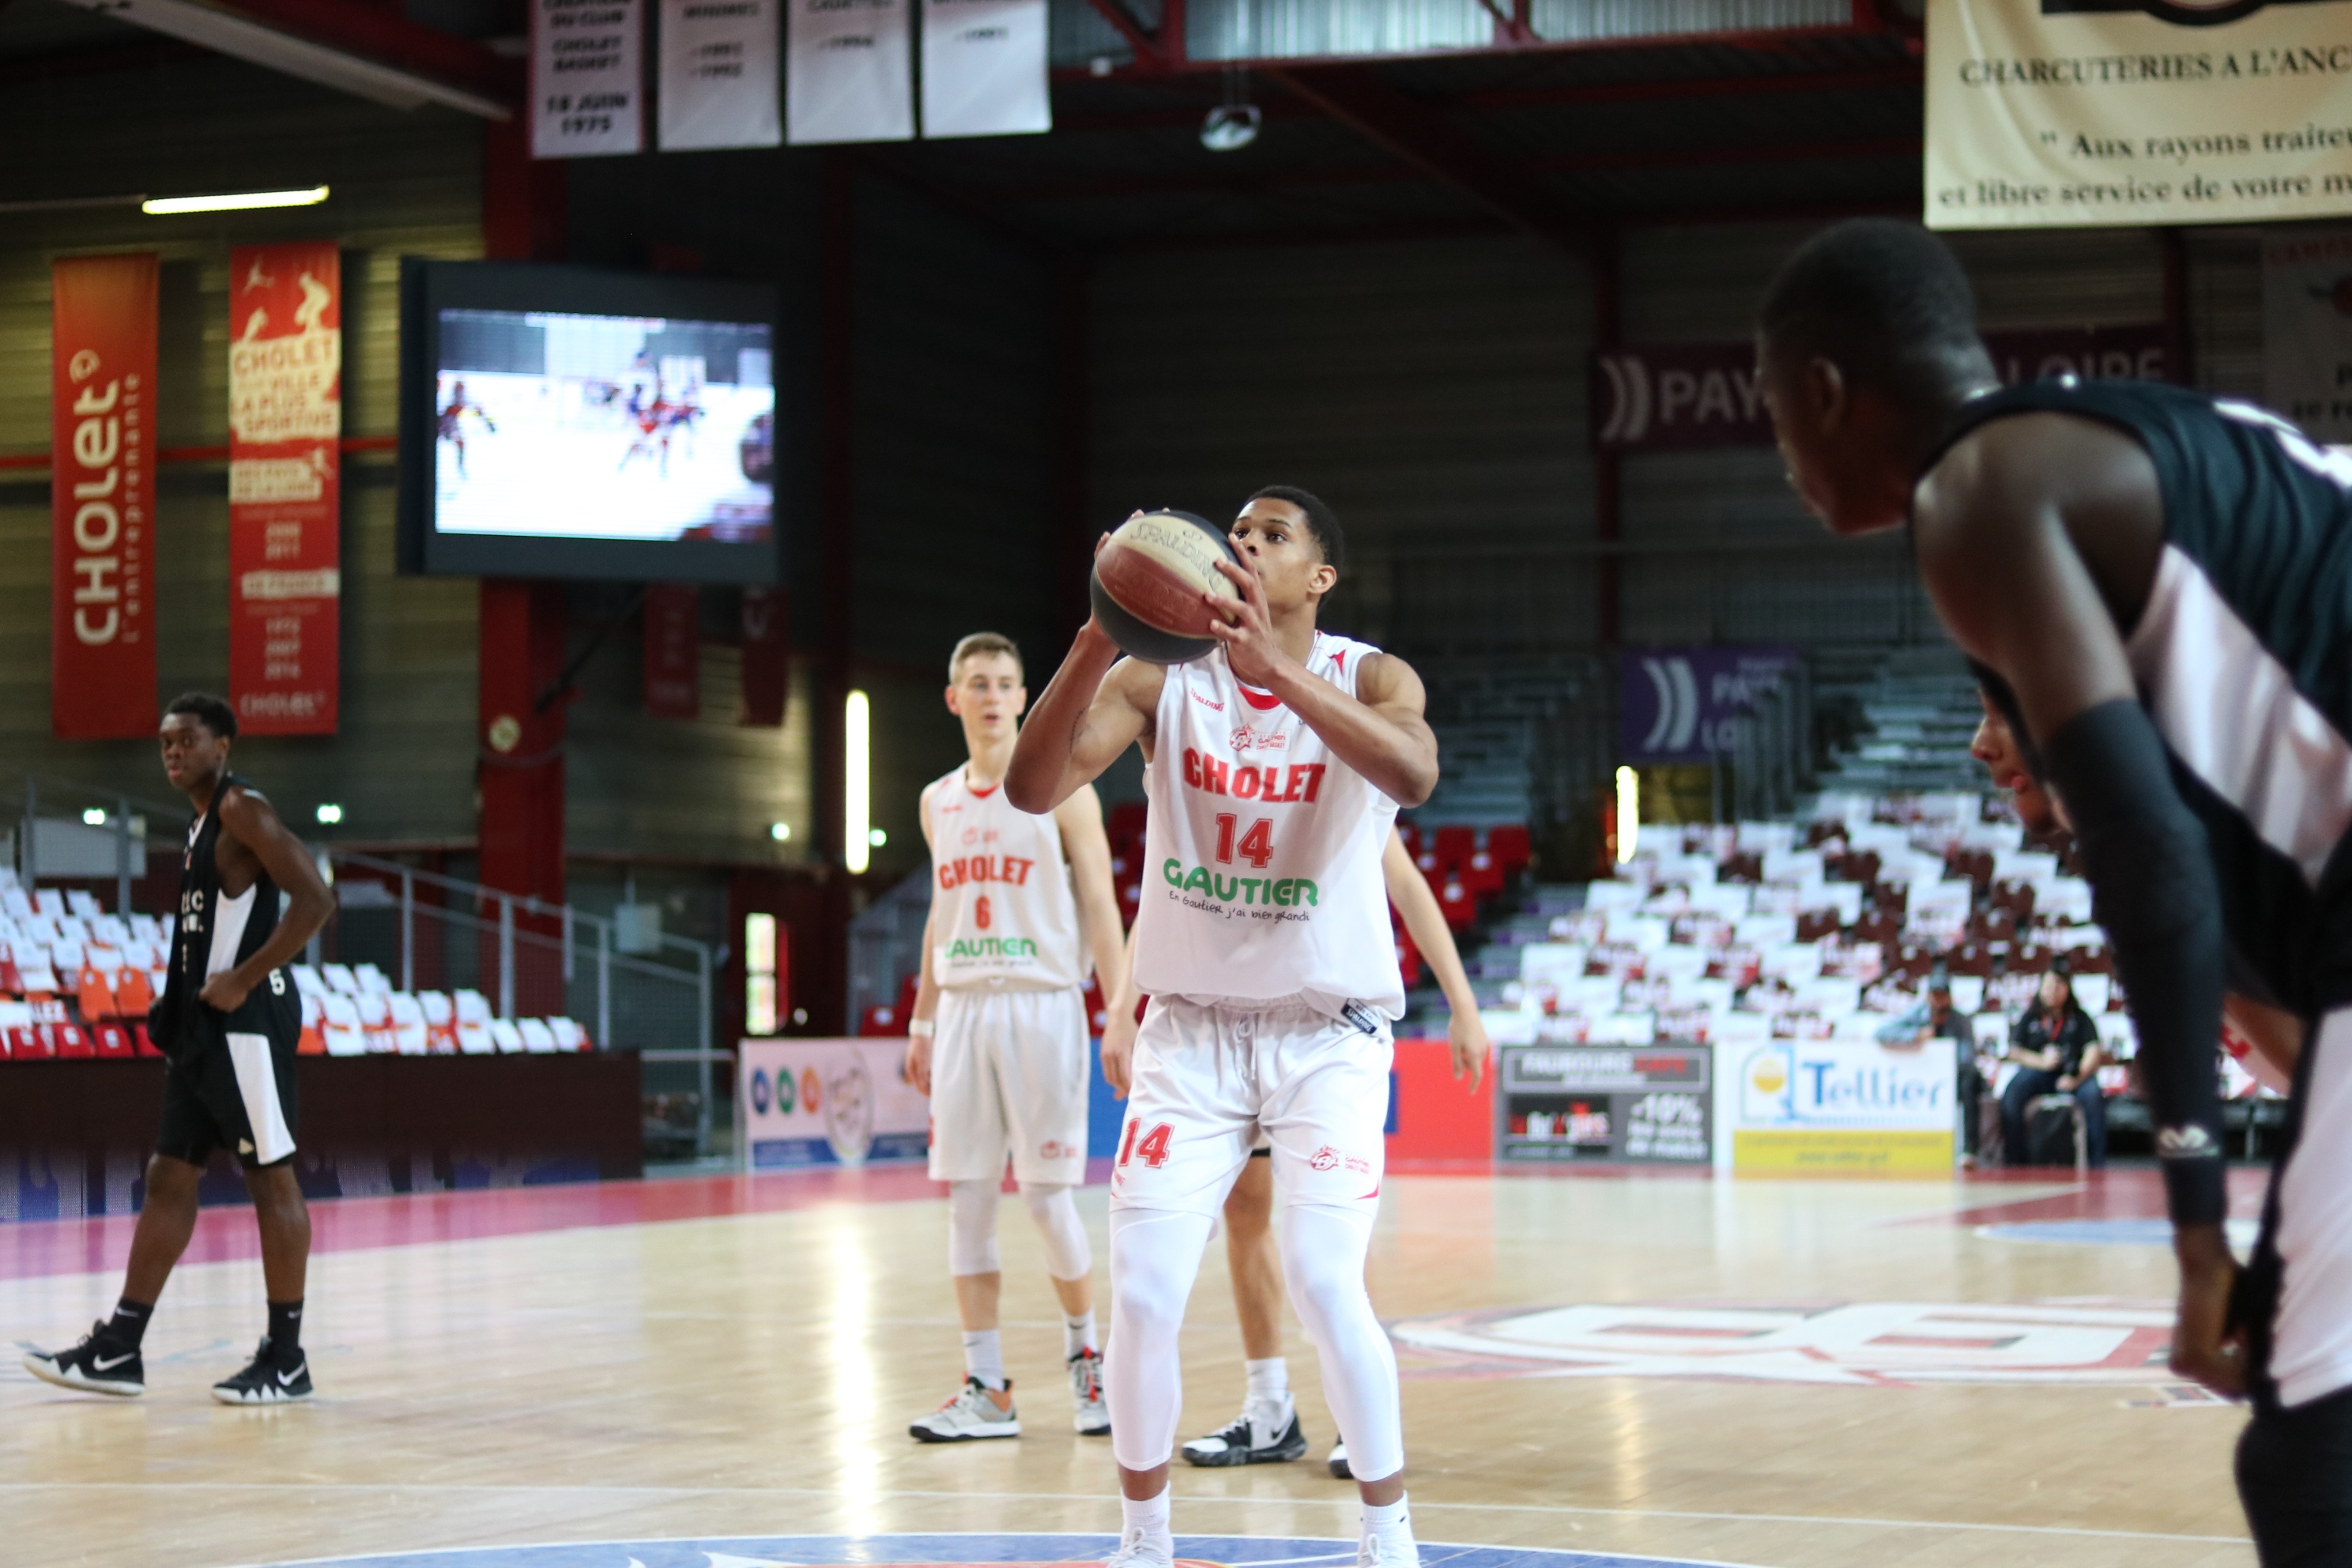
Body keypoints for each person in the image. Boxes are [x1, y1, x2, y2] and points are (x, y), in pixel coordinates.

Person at [1757, 216, 2352, 1557]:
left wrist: (2197, 1222)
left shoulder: (1975, 491)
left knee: (2313, 1451)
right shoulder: (2134, 439)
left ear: (1826, 390)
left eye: (1774, 411)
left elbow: (2152, 860)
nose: (1783, 458)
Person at [1008, 486, 1435, 1567]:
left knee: (1326, 1279)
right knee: (1144, 1297)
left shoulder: (1371, 676)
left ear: (1318, 577)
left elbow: (1414, 774)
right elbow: (1030, 786)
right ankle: (1144, 1543)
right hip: (1190, 1035)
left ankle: (1389, 1540)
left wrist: (1275, 676)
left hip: (1325, 1035)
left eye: (1273, 535)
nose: (1246, 544)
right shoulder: (1157, 677)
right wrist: (1096, 634)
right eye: (1235, 531)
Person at [1091, 829, 1490, 1482]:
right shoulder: (1203, 772)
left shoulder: (1328, 772)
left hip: (1315, 1031)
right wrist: (1120, 1008)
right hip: (1217, 1031)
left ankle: (1349, 1420)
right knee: (1245, 1214)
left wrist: (1463, 1004)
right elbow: (1164, 896)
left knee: (1330, 1251)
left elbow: (1408, 886)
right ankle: (1267, 1403)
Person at [24, 692, 333, 1404]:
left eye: (187, 740)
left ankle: (286, 1359)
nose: (173, 752)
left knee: (271, 1181)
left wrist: (241, 978)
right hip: (204, 1031)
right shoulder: (197, 827)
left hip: (247, 1026)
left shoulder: (240, 810)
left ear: (223, 746)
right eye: (165, 741)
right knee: (169, 1175)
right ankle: (119, 1348)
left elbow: (316, 899)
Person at [904, 632, 1127, 1443]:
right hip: (965, 1007)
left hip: (1043, 1002)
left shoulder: (1065, 787)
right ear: (954, 697)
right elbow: (939, 915)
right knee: (966, 1201)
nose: (993, 695)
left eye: (1005, 682)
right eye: (978, 682)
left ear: (1026, 696)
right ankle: (987, 1386)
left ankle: (1087, 1361)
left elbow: (1101, 905)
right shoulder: (937, 800)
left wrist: (1121, 1006)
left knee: (1045, 1199)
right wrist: (924, 1016)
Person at [1999, 966, 2107, 1168]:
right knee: (2012, 1093)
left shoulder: (2081, 1018)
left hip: (2073, 1075)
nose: (2053, 990)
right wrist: (2041, 1061)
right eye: (2048, 985)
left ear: (2067, 989)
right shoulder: (2030, 1017)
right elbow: (2014, 1051)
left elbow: (2093, 1052)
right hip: (2038, 1073)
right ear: (2040, 989)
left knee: (2093, 1095)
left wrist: (2077, 1077)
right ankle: (2015, 1162)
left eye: (2059, 985)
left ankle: (2096, 1165)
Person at [1875, 972, 1983, 1167]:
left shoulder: (1961, 1021)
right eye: (1934, 995)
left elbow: (1967, 1058)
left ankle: (1969, 1149)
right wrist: (1915, 1035)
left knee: (1970, 1081)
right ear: (1927, 997)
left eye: (1942, 995)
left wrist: (1944, 1062)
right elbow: (1882, 1032)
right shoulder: (1918, 1014)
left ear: (1949, 997)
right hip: (1921, 1077)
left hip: (1954, 1076)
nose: (1938, 1001)